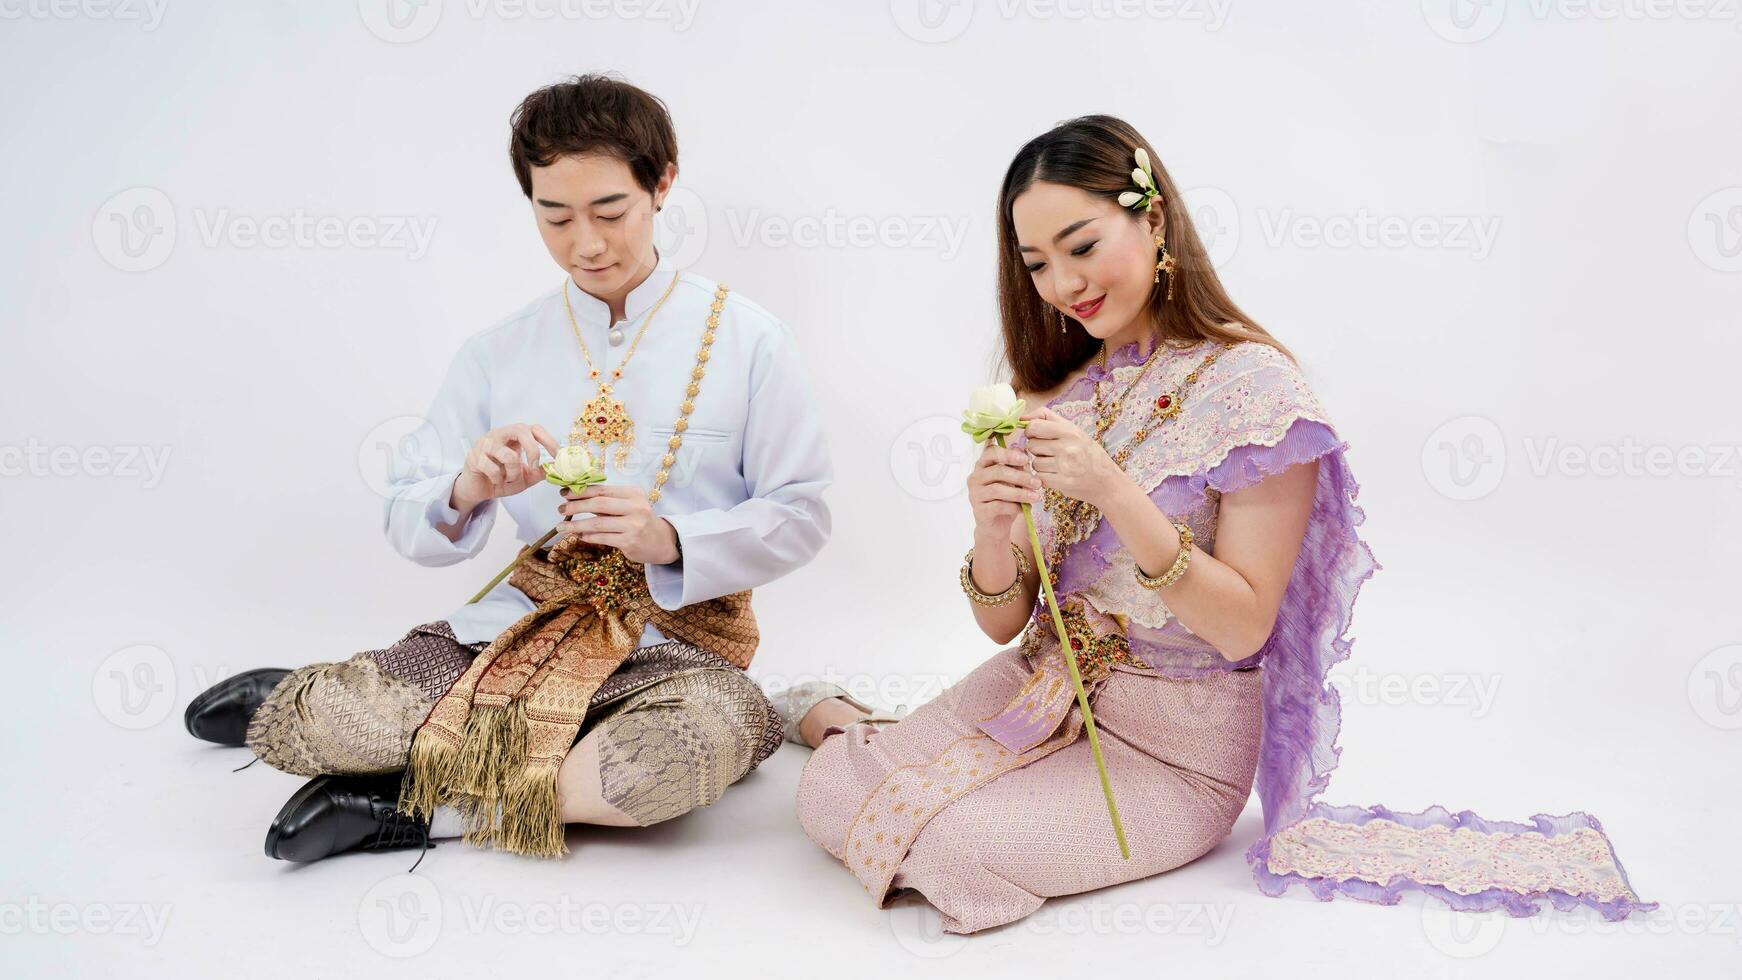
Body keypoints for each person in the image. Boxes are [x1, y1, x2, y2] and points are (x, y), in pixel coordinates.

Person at [784, 115, 1656, 934]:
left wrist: (1115, 491)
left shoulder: (1256, 394)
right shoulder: (1057, 387)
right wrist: (990, 527)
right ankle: (860, 729)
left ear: (1154, 220)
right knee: (823, 800)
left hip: (1171, 757)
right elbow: (1008, 622)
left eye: (1082, 247)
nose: (1064, 285)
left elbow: (1244, 622)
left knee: (951, 850)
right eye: (1038, 263)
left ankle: (861, 729)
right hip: (1037, 688)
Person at [183, 74, 832, 863]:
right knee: (326, 724)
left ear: (661, 184)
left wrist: (670, 539)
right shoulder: (501, 350)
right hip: (523, 628)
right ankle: (331, 701)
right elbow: (405, 510)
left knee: (660, 771)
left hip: (681, 650)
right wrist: (467, 487)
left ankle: (416, 808)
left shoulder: (748, 339)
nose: (584, 243)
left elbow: (802, 512)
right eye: (553, 216)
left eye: (609, 211)